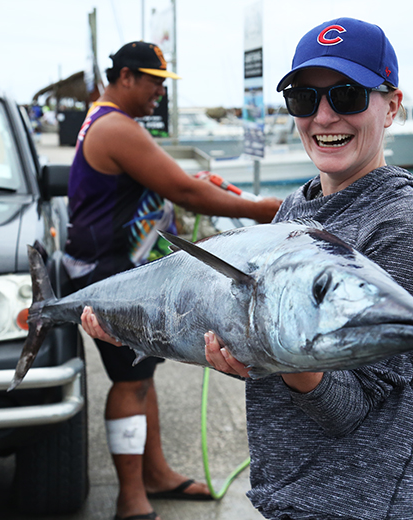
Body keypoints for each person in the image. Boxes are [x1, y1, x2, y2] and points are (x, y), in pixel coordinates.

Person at [84, 19, 413, 520]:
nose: (324, 116)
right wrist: (150, 328)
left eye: (348, 96)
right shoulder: (296, 209)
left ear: (392, 105)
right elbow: (261, 348)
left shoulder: (404, 227)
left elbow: (351, 410)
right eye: (304, 98)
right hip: (289, 495)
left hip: (368, 506)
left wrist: (290, 363)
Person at [65, 40, 281, 520]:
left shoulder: (105, 120)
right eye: (153, 82)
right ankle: (130, 499)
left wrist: (194, 184)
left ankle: (156, 473)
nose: (158, 94)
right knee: (128, 379)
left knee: (143, 371)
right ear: (125, 77)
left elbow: (162, 180)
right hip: (108, 272)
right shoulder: (117, 126)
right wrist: (269, 210)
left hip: (111, 264)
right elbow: (184, 191)